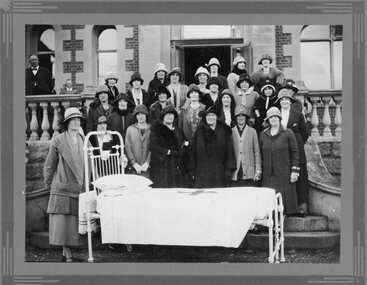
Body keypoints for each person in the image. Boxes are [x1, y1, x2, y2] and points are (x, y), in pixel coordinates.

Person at [44, 107, 87, 262]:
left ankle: (67, 250)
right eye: (73, 119)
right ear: (67, 122)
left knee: (74, 221)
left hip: (79, 186)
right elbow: (50, 164)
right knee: (63, 220)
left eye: (78, 119)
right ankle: (66, 251)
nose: (76, 122)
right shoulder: (58, 140)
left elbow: (88, 163)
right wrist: (49, 183)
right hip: (63, 184)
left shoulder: (84, 139)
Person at [259, 107, 300, 216]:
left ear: (279, 118)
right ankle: (274, 223)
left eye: (275, 117)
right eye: (271, 117)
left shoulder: (288, 132)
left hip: (284, 173)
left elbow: (295, 152)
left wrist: (294, 171)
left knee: (284, 200)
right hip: (268, 175)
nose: (273, 119)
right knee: (270, 199)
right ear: (268, 120)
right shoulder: (263, 135)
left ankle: (280, 224)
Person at [276, 89, 310, 216]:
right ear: (279, 102)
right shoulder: (276, 115)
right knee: (286, 177)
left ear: (290, 101)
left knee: (300, 177)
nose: (284, 101)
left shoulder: (298, 114)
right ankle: (286, 207)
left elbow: (305, 134)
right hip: (283, 151)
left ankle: (301, 207)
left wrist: (297, 145)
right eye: (282, 100)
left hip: (297, 150)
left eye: (286, 99)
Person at [188, 105, 236, 188]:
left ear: (217, 117)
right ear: (205, 118)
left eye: (213, 115)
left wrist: (228, 170)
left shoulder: (223, 131)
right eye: (208, 115)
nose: (211, 117)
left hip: (219, 173)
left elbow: (229, 151)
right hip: (202, 173)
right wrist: (192, 170)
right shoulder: (199, 131)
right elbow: (193, 151)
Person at [149, 105, 189, 188]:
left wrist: (183, 151)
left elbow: (185, 142)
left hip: (178, 166)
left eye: (171, 115)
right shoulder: (157, 130)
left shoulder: (178, 130)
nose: (169, 117)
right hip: (163, 167)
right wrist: (169, 152)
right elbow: (154, 146)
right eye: (167, 115)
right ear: (163, 117)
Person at [231, 106, 262, 187]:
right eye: (238, 116)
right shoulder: (231, 132)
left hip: (249, 172)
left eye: (243, 115)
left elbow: (257, 152)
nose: (240, 118)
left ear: (246, 117)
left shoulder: (252, 131)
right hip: (235, 172)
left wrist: (258, 169)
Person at [125, 105, 152, 178]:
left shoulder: (152, 129)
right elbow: (128, 147)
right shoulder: (130, 129)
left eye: (142, 114)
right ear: (136, 116)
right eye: (138, 114)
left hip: (148, 168)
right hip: (134, 169)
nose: (140, 116)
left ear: (146, 115)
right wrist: (134, 163)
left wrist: (147, 162)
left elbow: (153, 147)